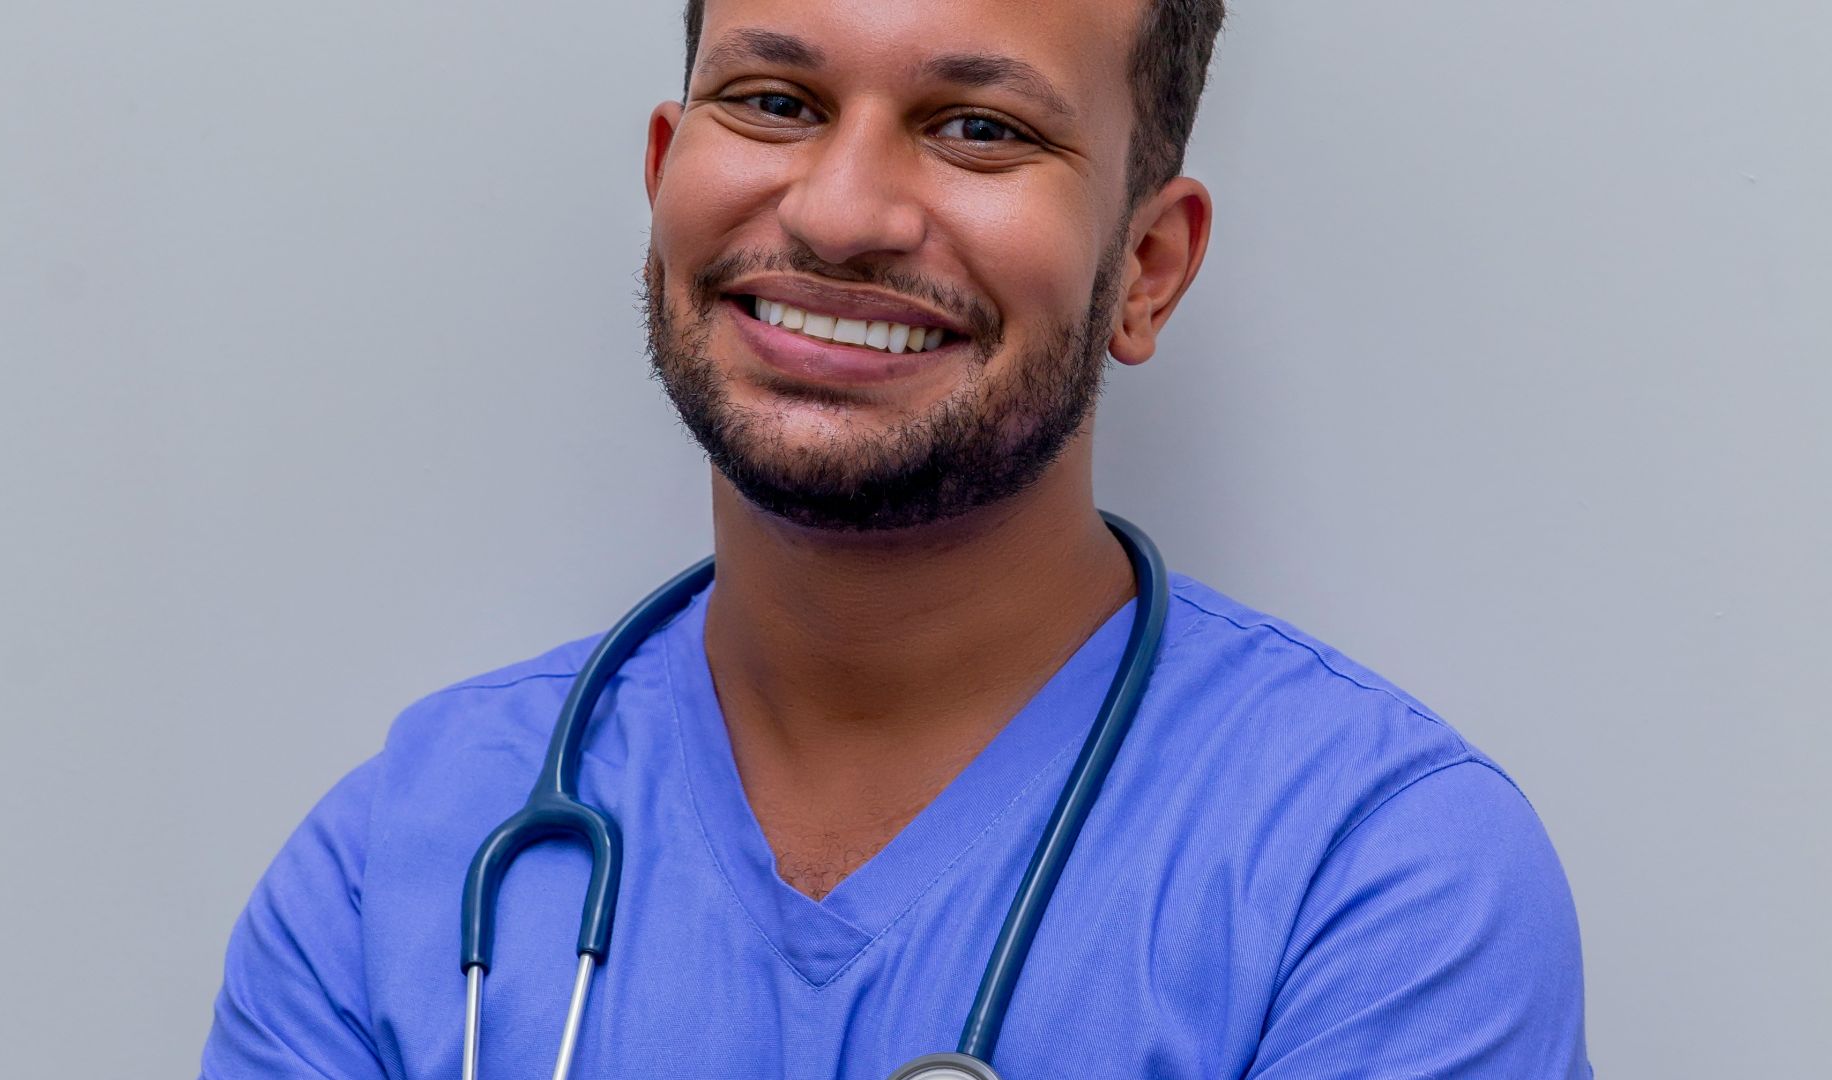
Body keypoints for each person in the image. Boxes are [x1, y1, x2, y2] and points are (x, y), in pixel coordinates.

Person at [201, 0, 1593, 1076]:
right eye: (771, 100)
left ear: (1148, 269)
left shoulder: (1374, 881)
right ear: (663, 173)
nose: (840, 211)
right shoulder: (402, 866)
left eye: (978, 127)